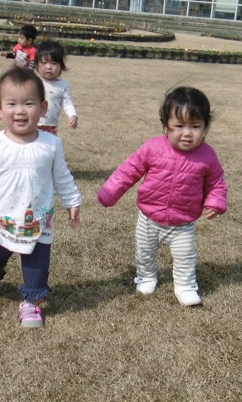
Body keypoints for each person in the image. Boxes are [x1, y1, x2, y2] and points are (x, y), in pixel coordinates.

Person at [0, 66, 82, 327]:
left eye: (28, 103)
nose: (20, 111)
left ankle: (32, 302)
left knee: (37, 268)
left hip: (37, 224)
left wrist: (72, 201)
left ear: (43, 108)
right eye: (11, 104)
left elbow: (62, 176)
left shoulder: (51, 144)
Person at [97, 86, 227, 307]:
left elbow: (216, 181)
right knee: (145, 252)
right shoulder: (153, 147)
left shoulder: (207, 155)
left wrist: (215, 201)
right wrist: (110, 192)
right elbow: (129, 170)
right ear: (166, 126)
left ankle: (185, 287)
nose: (187, 133)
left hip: (182, 222)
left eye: (195, 126)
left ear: (205, 128)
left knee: (185, 257)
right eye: (179, 126)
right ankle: (146, 277)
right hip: (149, 217)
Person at [35, 40, 78, 134]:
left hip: (51, 127)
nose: (49, 67)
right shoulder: (33, 82)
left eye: (54, 63)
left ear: (61, 66)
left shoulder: (62, 85)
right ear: (37, 65)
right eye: (44, 62)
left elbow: (67, 102)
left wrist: (73, 115)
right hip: (32, 124)